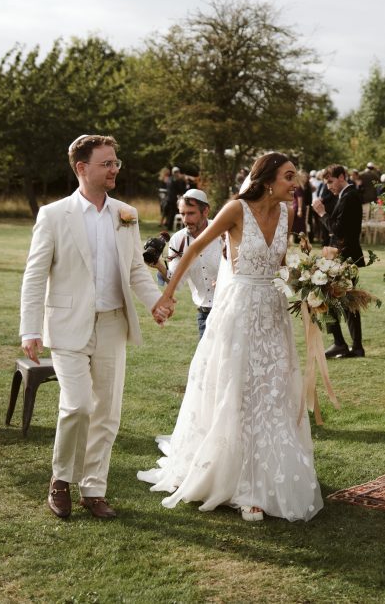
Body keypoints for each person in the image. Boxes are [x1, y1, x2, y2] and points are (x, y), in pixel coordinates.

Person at [138, 152, 322, 522]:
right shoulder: (236, 209)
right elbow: (193, 248)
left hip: (272, 312)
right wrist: (168, 294)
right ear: (269, 179)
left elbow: (282, 264)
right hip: (239, 311)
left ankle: (270, 476)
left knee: (272, 389)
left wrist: (311, 288)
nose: (295, 183)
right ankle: (242, 484)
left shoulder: (287, 213)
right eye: (289, 176)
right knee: (239, 390)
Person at [19, 134, 162, 520]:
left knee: (107, 412)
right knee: (78, 406)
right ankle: (60, 480)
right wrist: (30, 329)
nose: (114, 169)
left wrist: (154, 302)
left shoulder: (125, 214)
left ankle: (93, 490)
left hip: (114, 323)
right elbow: (34, 276)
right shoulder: (53, 215)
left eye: (116, 163)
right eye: (106, 163)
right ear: (82, 168)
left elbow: (134, 268)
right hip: (66, 325)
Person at [153, 188, 223, 339]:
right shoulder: (178, 240)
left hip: (231, 310)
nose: (185, 219)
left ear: (205, 211)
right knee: (206, 362)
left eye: (191, 213)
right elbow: (176, 283)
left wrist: (226, 278)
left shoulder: (223, 234)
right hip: (204, 315)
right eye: (183, 213)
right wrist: (158, 265)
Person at [312, 164, 365, 358]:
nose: (328, 187)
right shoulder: (342, 196)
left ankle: (343, 343)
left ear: (342, 177)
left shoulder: (349, 196)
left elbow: (338, 229)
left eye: (331, 182)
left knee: (331, 298)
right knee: (343, 301)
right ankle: (348, 345)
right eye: (326, 183)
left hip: (344, 256)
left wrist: (322, 214)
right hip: (339, 255)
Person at [290, 170, 309, 242]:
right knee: (298, 225)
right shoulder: (299, 186)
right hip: (297, 207)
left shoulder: (298, 187)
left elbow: (300, 198)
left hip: (298, 207)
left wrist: (300, 209)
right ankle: (298, 239)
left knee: (297, 225)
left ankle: (300, 240)